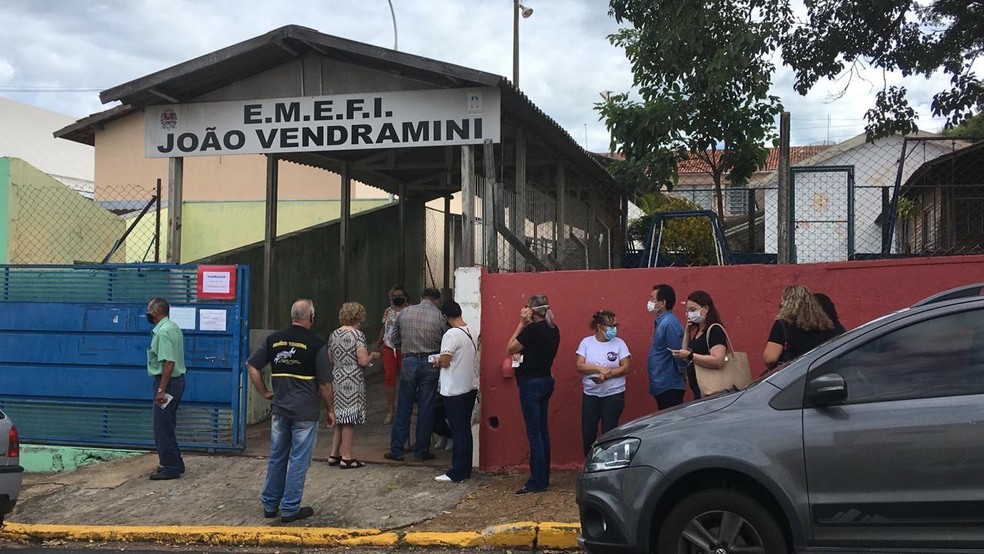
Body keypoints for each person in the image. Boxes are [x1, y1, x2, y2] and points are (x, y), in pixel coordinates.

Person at [245, 299, 336, 523]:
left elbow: (252, 365)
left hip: (280, 409)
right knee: (298, 460)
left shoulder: (273, 340)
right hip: (305, 412)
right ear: (311, 317)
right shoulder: (316, 345)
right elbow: (325, 384)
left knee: (277, 456)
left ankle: (270, 504)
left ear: (292, 316)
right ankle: (290, 508)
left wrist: (264, 392)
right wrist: (330, 410)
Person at [385, 287, 448, 462]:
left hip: (409, 361)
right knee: (426, 408)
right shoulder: (439, 317)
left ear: (421, 297)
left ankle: (397, 450)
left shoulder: (405, 313)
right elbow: (445, 341)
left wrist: (406, 344)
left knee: (404, 406)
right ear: (436, 300)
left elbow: (394, 339)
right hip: (430, 362)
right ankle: (421, 452)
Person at [506, 294, 560, 495]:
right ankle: (543, 478)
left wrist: (521, 323)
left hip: (531, 384)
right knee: (542, 431)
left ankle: (537, 481)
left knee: (534, 433)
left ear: (531, 310)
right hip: (546, 380)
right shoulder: (553, 329)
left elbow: (510, 347)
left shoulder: (532, 329)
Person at [327, 302, 380, 469]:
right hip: (352, 380)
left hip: (337, 377)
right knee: (349, 419)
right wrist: (373, 356)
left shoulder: (334, 334)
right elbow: (362, 361)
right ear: (359, 317)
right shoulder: (357, 335)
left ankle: (334, 454)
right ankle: (347, 457)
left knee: (340, 417)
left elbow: (330, 358)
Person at [433, 300, 478, 483]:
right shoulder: (471, 330)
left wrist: (436, 361)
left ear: (445, 316)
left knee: (458, 431)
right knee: (464, 430)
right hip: (468, 386)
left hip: (454, 389)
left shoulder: (451, 334)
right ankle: (465, 469)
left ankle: (457, 471)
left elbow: (445, 361)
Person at [576, 310, 631, 456]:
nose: (615, 329)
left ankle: (607, 462)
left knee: (609, 432)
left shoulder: (620, 344)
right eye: (611, 326)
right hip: (591, 395)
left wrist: (608, 374)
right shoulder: (586, 343)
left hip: (613, 394)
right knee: (588, 431)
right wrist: (599, 369)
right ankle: (590, 461)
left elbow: (625, 367)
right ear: (600, 327)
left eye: (616, 325)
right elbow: (579, 366)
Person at [146, 297, 187, 481]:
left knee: (162, 426)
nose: (147, 313)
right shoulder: (173, 327)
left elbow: (169, 362)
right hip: (176, 382)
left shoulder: (163, 332)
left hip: (167, 383)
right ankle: (175, 463)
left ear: (156, 312)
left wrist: (161, 390)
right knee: (168, 424)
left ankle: (170, 468)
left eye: (149, 310)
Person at [670, 290, 728, 400]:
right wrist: (687, 332)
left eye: (693, 310)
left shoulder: (714, 330)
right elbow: (685, 352)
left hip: (713, 390)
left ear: (705, 309)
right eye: (688, 311)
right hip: (699, 388)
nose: (689, 314)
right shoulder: (699, 330)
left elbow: (718, 360)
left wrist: (690, 356)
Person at [763, 285, 837, 370]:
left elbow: (770, 358)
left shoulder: (783, 324)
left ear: (786, 303)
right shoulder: (824, 323)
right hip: (823, 370)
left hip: (797, 373)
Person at [646, 284, 686, 410]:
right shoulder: (661, 322)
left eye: (652, 299)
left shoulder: (669, 323)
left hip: (669, 383)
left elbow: (678, 352)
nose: (649, 302)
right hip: (661, 383)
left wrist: (682, 371)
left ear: (662, 303)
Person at [376, 286, 408, 425]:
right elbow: (384, 328)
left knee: (407, 379)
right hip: (389, 348)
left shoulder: (409, 310)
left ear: (405, 297)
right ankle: (391, 410)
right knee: (389, 378)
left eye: (400, 295)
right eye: (394, 296)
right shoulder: (388, 311)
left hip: (404, 348)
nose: (397, 298)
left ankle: (406, 408)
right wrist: (379, 343)